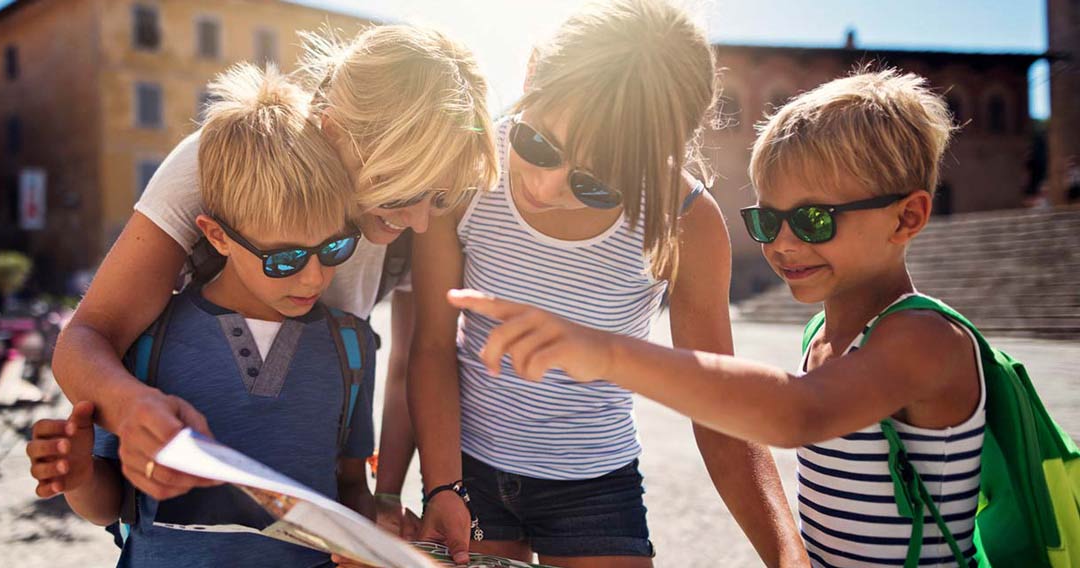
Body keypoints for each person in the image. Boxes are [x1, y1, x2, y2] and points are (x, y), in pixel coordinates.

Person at [451, 69, 981, 567]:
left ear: (907, 216)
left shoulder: (927, 339)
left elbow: (798, 413)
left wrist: (607, 352)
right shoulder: (825, 338)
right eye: (767, 220)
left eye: (814, 219)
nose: (785, 244)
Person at [403, 1, 804, 566]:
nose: (544, 186)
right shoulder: (470, 169)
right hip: (470, 468)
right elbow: (431, 347)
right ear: (532, 72)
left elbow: (717, 407)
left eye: (594, 183)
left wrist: (789, 556)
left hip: (597, 484)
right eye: (536, 143)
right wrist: (443, 487)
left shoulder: (684, 218)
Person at [47, 24, 497, 520]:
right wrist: (132, 409)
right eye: (397, 193)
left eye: (441, 197)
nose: (419, 222)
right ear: (332, 132)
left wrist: (410, 494)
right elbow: (87, 335)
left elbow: (422, 355)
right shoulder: (222, 161)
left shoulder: (421, 201)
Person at [29, 64, 377, 567]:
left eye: (334, 247)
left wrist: (367, 539)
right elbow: (110, 507)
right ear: (216, 236)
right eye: (285, 259)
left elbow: (350, 487)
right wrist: (76, 474)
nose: (314, 278)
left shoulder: (351, 348)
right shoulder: (147, 341)